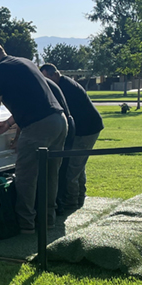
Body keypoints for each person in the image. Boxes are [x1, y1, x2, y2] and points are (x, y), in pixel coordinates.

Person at [0, 42, 67, 231]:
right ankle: (48, 220)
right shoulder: (25, 63)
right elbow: (30, 100)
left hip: (38, 127)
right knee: (50, 175)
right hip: (59, 121)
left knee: (26, 176)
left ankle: (25, 224)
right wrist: (9, 124)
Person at [40, 63, 104, 212]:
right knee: (79, 166)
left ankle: (71, 203)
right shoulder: (65, 84)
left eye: (47, 78)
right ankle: (80, 197)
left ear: (55, 74)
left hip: (86, 130)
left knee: (72, 168)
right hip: (89, 128)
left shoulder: (64, 88)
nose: (46, 83)